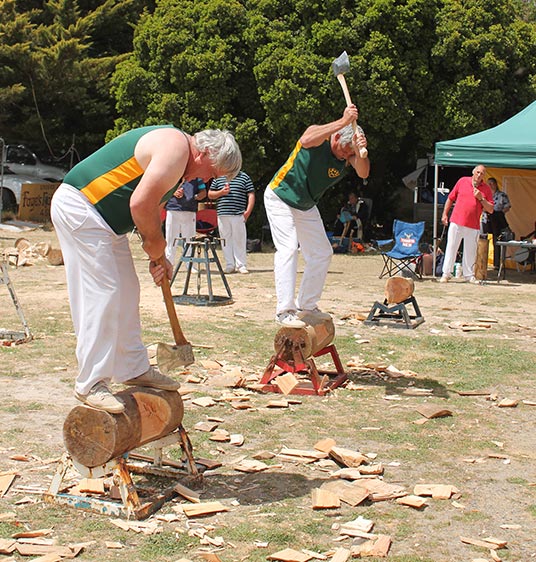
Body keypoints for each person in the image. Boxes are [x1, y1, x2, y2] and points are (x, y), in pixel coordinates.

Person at [51, 126, 241, 413]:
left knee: (128, 289)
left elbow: (151, 212)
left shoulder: (178, 165)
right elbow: (139, 204)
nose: (208, 182)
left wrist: (157, 256)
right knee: (104, 293)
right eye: (212, 173)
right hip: (81, 208)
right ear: (204, 152)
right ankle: (90, 383)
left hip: (105, 223)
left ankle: (132, 368)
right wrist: (156, 246)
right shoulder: (176, 147)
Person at [264, 105, 370, 328]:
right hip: (281, 196)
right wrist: (342, 121)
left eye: (350, 153)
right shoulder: (320, 136)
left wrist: (360, 151)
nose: (345, 155)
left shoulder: (349, 153)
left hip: (306, 205)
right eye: (345, 149)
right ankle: (284, 311)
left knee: (322, 252)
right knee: (289, 248)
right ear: (338, 135)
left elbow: (363, 172)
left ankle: (308, 305)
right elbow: (305, 139)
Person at [439, 164, 494, 283]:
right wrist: (444, 214)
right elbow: (450, 198)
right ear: (473, 172)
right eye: (478, 172)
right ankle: (446, 273)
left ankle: (469, 275)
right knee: (451, 247)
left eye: (482, 173)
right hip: (457, 221)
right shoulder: (463, 181)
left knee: (470, 250)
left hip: (473, 224)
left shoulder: (486, 189)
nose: (479, 175)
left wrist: (481, 198)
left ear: (484, 175)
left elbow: (490, 209)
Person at [208, 170, 255, 274]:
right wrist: (221, 192)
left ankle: (241, 265)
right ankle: (230, 264)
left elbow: (251, 194)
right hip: (222, 214)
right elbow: (210, 194)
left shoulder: (244, 176)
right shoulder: (218, 177)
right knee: (225, 240)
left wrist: (247, 212)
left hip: (239, 214)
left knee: (239, 239)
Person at [164, 178, 206, 266]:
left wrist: (196, 196)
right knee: (170, 238)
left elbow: (203, 192)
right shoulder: (175, 173)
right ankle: (169, 263)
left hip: (190, 211)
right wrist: (174, 192)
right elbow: (165, 187)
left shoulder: (198, 177)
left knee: (190, 239)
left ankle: (190, 264)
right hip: (173, 208)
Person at [482, 177, 511, 269]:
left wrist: (501, 213)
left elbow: (507, 206)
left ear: (495, 184)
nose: (490, 185)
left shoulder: (502, 195)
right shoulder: (485, 195)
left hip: (497, 219)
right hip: (486, 219)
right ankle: (482, 261)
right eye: (488, 183)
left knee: (497, 241)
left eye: (492, 183)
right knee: (483, 240)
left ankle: (497, 264)